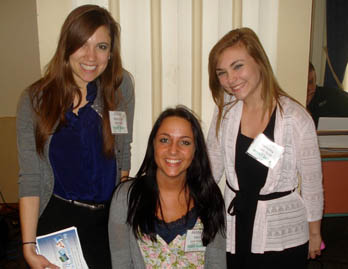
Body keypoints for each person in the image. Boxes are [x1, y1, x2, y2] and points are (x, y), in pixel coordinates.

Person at [16, 5, 134, 269]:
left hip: (106, 224)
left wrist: (119, 218)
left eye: (102, 47)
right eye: (83, 44)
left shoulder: (120, 86)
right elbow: (31, 178)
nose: (91, 56)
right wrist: (28, 247)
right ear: (66, 46)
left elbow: (123, 152)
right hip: (58, 223)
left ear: (110, 52)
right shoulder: (34, 100)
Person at [207, 27, 323, 269]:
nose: (231, 79)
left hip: (282, 235)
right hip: (236, 229)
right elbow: (211, 168)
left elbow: (312, 182)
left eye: (238, 66)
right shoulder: (225, 114)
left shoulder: (295, 118)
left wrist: (314, 233)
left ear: (259, 61)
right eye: (222, 73)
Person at [108, 106, 226, 268]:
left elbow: (216, 263)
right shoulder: (125, 197)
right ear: (153, 145)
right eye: (164, 140)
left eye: (184, 142)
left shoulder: (210, 197)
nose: (173, 150)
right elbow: (121, 262)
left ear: (195, 150)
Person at [307, 62, 348, 127]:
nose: (308, 88)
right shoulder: (289, 103)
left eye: (310, 82)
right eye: (304, 83)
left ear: (315, 81)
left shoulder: (334, 96)